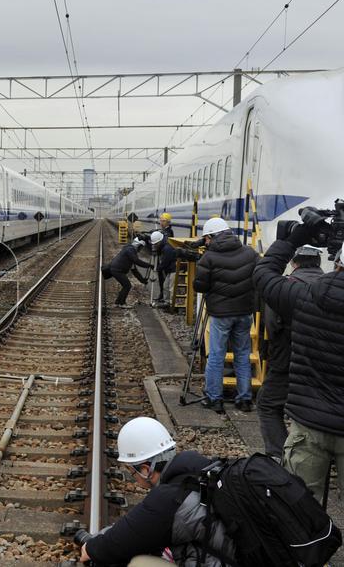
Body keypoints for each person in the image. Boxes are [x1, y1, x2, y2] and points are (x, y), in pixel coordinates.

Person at [253, 218, 344, 502]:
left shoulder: (303, 297)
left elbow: (263, 274)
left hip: (309, 425)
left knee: (299, 513)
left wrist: (291, 240)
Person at [80, 417, 236, 566]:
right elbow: (138, 526)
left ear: (145, 470)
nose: (134, 477)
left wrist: (90, 548)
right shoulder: (200, 469)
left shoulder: (169, 500)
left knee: (139, 564)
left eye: (132, 472)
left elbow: (122, 540)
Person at [256, 245, 324, 461]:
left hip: (287, 359)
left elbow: (272, 326)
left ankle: (278, 455)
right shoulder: (329, 285)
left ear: (294, 263)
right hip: (325, 365)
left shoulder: (286, 286)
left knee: (267, 403)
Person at [193, 217, 259, 413]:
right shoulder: (250, 253)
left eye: (206, 238)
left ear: (213, 237)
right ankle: (245, 399)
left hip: (221, 314)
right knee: (242, 355)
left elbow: (201, 286)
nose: (205, 242)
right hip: (244, 312)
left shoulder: (209, 258)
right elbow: (259, 275)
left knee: (216, 356)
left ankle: (214, 398)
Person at [107, 237, 151, 307]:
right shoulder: (130, 250)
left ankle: (118, 303)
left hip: (116, 270)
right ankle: (121, 303)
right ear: (138, 245)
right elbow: (136, 261)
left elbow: (134, 270)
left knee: (126, 286)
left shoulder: (131, 251)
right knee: (127, 286)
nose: (141, 249)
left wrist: (142, 280)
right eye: (141, 247)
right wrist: (148, 265)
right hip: (117, 270)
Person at [149, 231, 176, 308]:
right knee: (165, 286)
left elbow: (165, 261)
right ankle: (166, 302)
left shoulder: (167, 248)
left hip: (174, 269)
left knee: (171, 287)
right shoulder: (163, 246)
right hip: (170, 269)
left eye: (156, 244)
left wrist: (158, 268)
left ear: (159, 241)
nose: (155, 245)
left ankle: (171, 304)